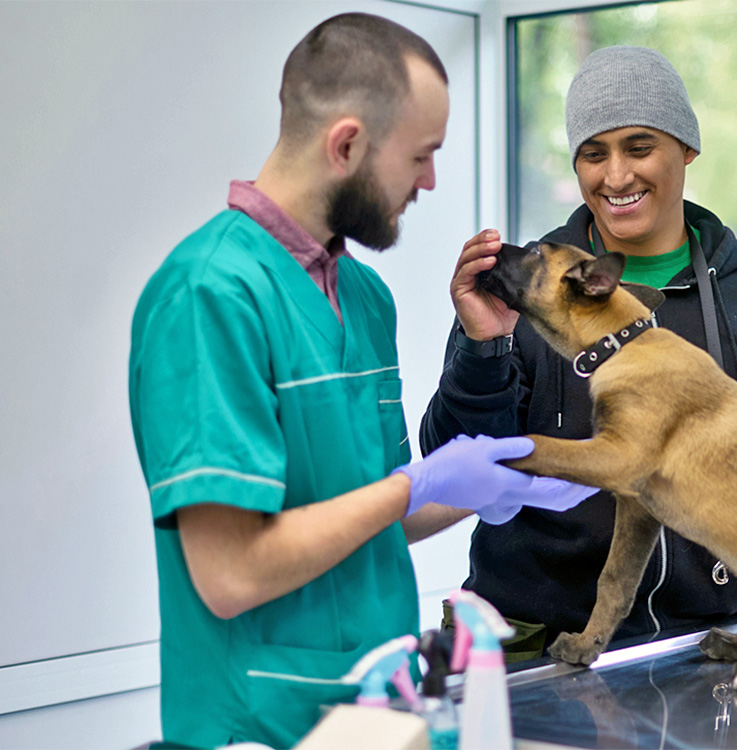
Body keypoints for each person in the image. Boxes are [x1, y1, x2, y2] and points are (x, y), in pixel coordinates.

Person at [128, 14, 593, 749]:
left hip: (375, 716)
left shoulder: (364, 298)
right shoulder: (208, 294)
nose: (430, 182)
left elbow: (371, 513)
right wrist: (419, 483)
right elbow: (229, 573)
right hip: (257, 724)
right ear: (346, 144)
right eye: (420, 156)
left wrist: (485, 485)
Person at [420, 46, 737, 660]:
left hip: (711, 649)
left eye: (640, 147)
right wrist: (482, 345)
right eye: (593, 155)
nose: (617, 176)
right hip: (533, 646)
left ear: (687, 150)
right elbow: (454, 465)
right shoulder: (527, 290)